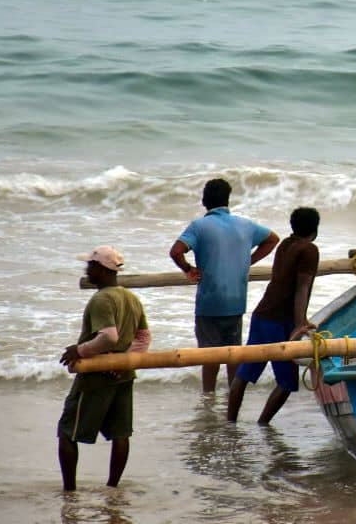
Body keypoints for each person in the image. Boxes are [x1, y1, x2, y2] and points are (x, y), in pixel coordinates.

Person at [170, 178, 279, 393]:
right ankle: (233, 398)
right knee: (233, 355)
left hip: (210, 302)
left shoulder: (199, 226)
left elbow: (175, 251)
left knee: (209, 357)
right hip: (236, 301)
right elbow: (273, 239)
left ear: (204, 201)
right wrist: (248, 260)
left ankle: (208, 399)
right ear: (227, 201)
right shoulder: (246, 225)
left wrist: (188, 269)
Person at [57, 246, 151, 492]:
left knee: (68, 432)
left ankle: (69, 491)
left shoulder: (101, 299)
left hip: (95, 376)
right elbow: (144, 337)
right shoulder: (131, 298)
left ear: (100, 269)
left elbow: (109, 337)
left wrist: (79, 351)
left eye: (90, 265)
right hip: (123, 375)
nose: (86, 269)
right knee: (120, 433)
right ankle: (112, 489)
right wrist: (123, 363)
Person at [227, 207, 321, 424]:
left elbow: (286, 283)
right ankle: (263, 424)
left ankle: (230, 423)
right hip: (280, 322)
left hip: (262, 316)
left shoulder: (285, 245)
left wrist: (301, 319)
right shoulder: (309, 250)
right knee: (287, 381)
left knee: (244, 373)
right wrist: (299, 324)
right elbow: (302, 287)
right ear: (315, 229)